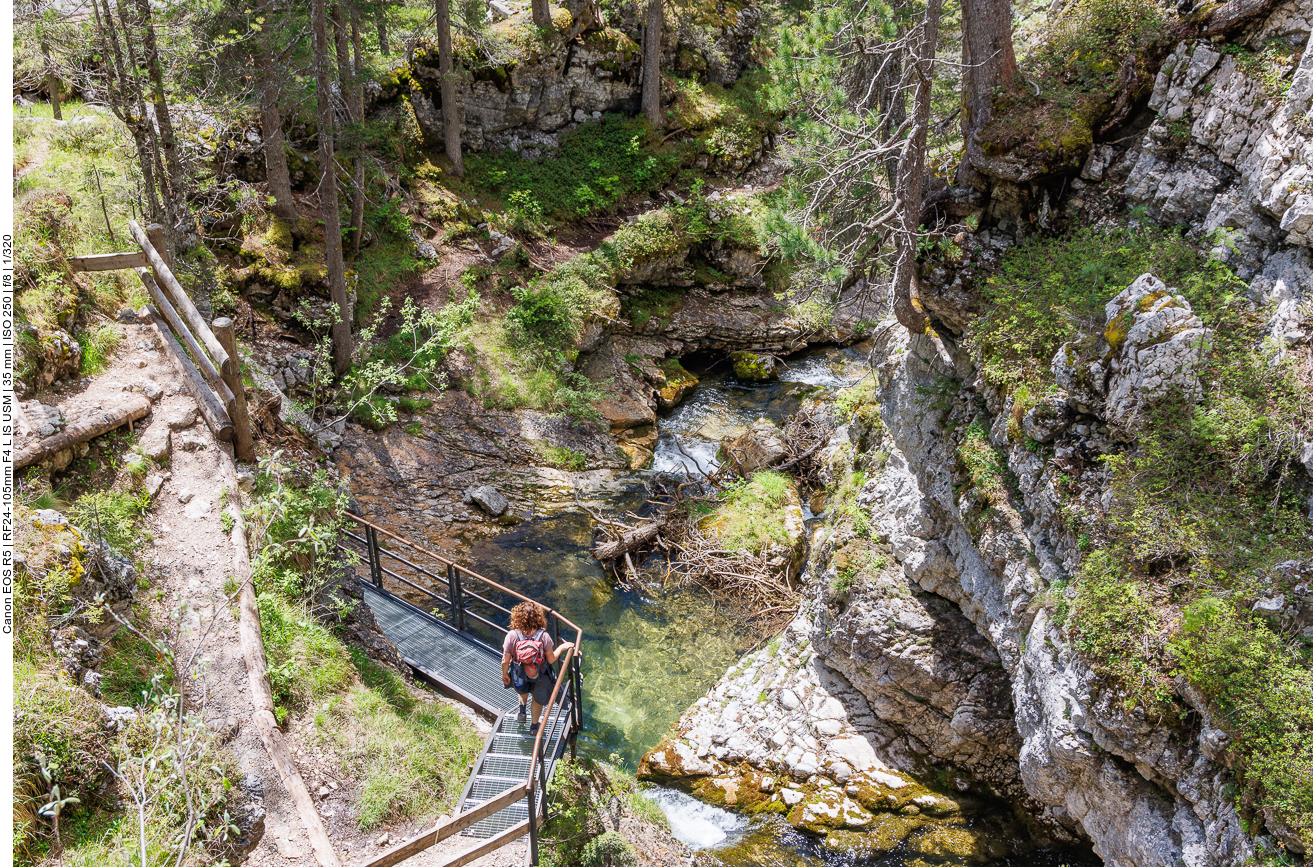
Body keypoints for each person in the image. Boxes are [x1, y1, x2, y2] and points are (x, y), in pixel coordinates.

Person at [502, 601, 575, 735]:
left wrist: (505, 675)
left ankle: (522, 712)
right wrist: (562, 648)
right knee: (537, 700)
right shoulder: (543, 636)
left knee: (522, 689)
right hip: (540, 675)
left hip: (519, 673)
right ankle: (534, 727)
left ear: (517, 616)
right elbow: (551, 659)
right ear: (539, 618)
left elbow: (505, 660)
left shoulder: (512, 636)